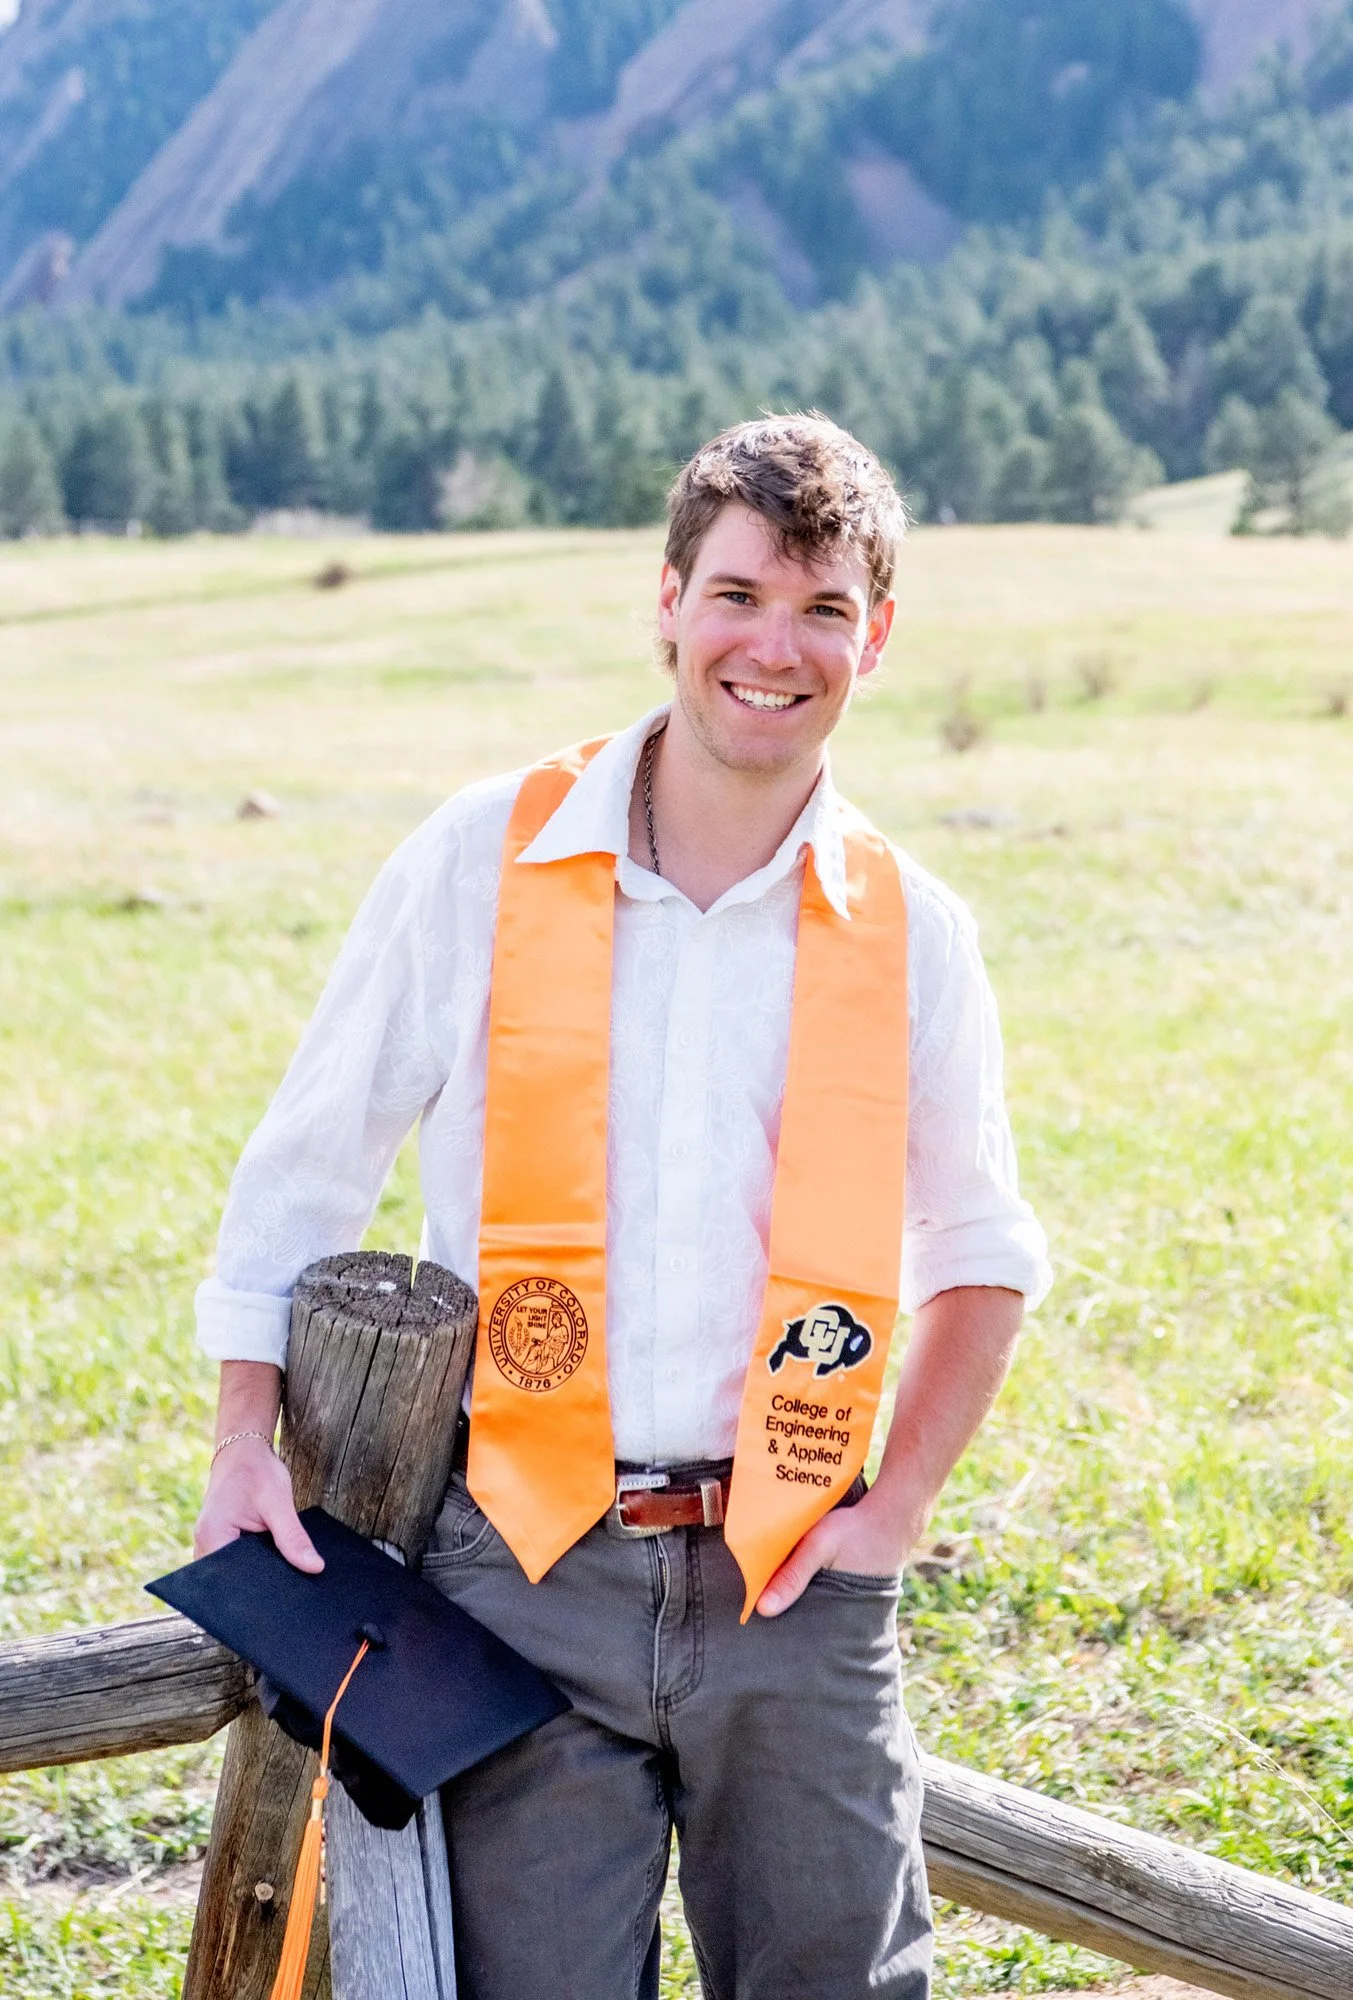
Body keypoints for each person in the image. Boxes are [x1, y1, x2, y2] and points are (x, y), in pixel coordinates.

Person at [194, 414, 1051, 2000]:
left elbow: (984, 1259)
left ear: (878, 632)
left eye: (820, 609)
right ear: (665, 599)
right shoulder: (483, 858)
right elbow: (305, 1168)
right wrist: (245, 1435)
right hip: (523, 1567)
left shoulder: (911, 928)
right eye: (735, 595)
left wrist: (895, 1514)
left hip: (794, 1570)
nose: (772, 648)